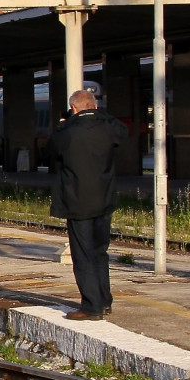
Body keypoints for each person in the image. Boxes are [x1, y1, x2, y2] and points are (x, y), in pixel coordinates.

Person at [47, 89, 128, 321]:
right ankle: (104, 300)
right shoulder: (108, 127)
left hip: (77, 201)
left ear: (73, 108)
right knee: (100, 252)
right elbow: (123, 131)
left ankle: (91, 306)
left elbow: (50, 150)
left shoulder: (68, 132)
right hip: (104, 199)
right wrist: (99, 114)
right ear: (95, 106)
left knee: (83, 255)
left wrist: (66, 122)